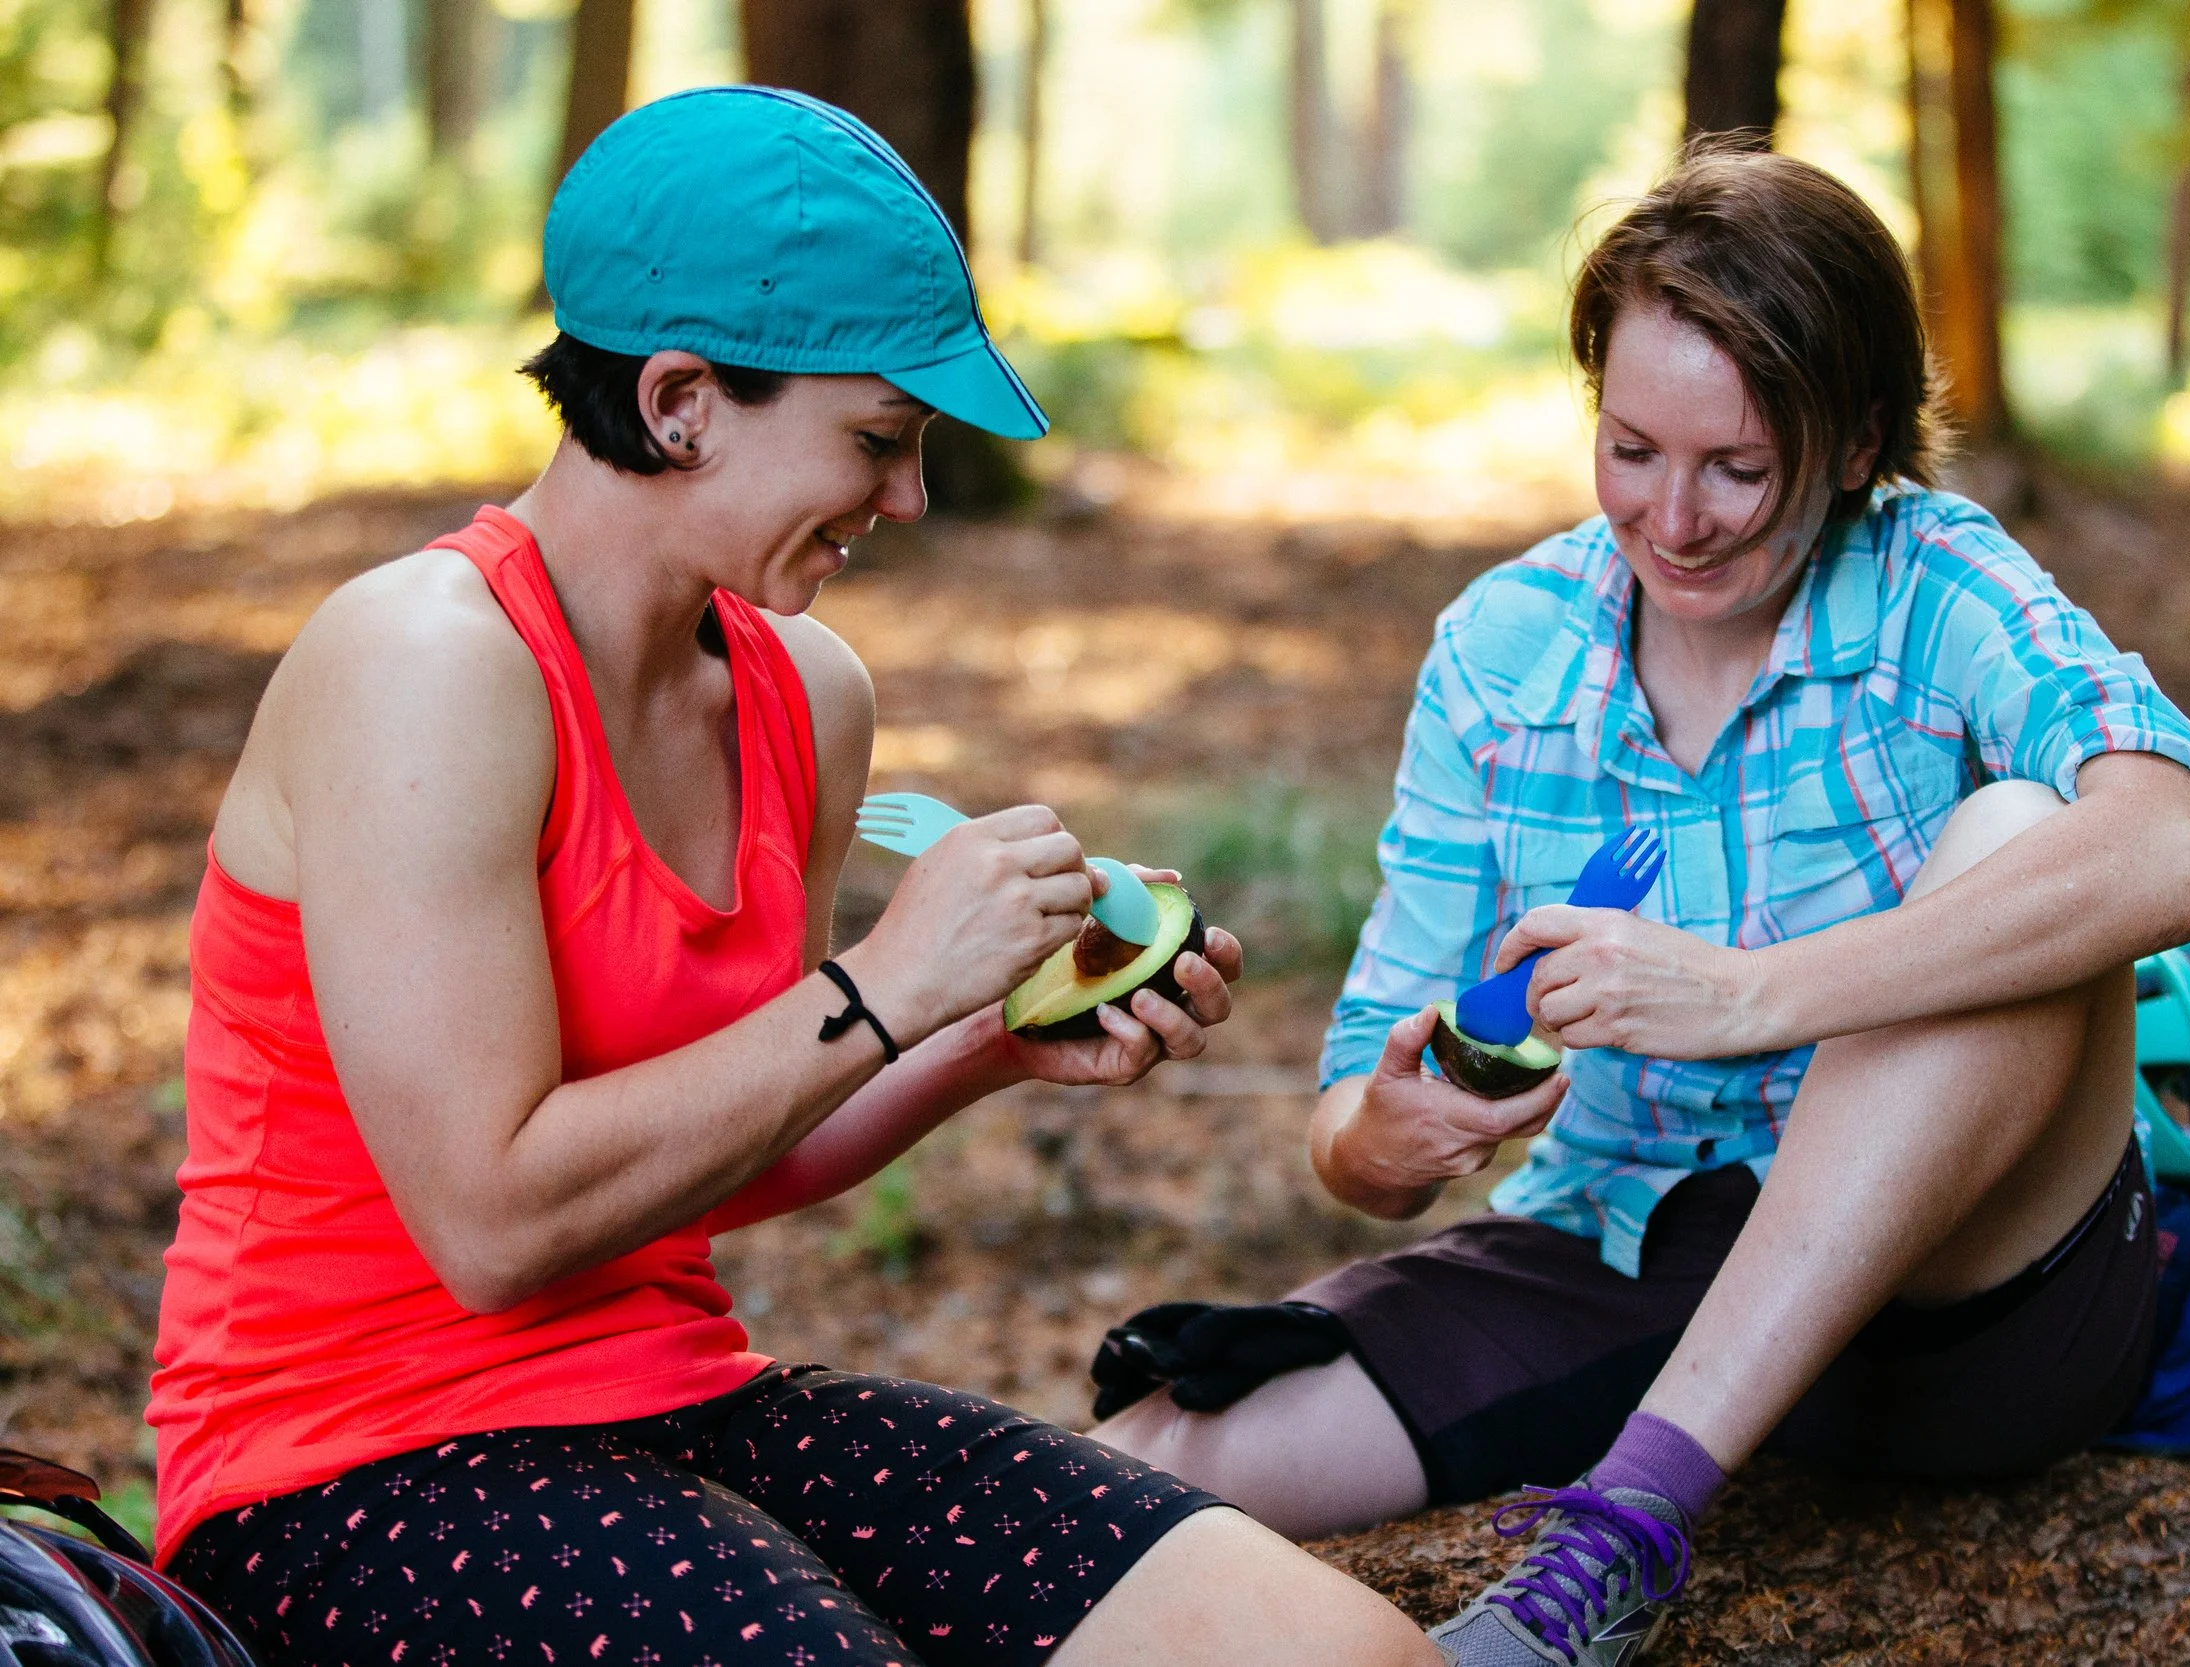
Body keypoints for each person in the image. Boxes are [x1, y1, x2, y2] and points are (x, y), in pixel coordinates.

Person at [147, 87, 1439, 1667]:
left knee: (1341, 1654)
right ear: (683, 399)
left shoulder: (804, 688)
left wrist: (979, 1040)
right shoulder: (426, 665)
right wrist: (886, 984)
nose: (904, 500)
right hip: (348, 1465)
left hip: (678, 1396)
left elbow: (733, 1141)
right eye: (877, 442)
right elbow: (492, 1218)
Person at [1091, 145, 2190, 1665]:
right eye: (1632, 449)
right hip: (1632, 1247)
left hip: (1973, 1299)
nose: (1677, 519)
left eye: (1739, 468)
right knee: (1170, 1449)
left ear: (1854, 447)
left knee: (2019, 825)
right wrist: (1385, 1135)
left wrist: (1755, 994)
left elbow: (2181, 847)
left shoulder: (1937, 583)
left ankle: (1623, 1530)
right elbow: (1358, 1105)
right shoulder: (1505, 649)